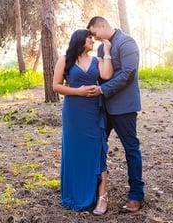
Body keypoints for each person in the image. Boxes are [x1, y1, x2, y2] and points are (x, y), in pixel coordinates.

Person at [87, 16, 145, 213]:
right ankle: (95, 193)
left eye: (94, 33)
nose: (93, 38)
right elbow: (103, 73)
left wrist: (103, 90)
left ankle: (136, 195)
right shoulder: (103, 48)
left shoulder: (127, 43)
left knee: (131, 149)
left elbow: (128, 74)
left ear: (102, 26)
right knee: (97, 147)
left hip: (124, 108)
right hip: (104, 108)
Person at [52, 29, 113, 215]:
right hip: (73, 113)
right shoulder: (65, 60)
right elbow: (55, 86)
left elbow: (107, 76)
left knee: (97, 150)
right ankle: (76, 192)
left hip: (93, 112)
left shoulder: (98, 60)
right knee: (75, 151)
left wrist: (108, 51)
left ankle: (102, 197)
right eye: (89, 38)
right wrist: (79, 91)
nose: (93, 41)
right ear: (80, 39)